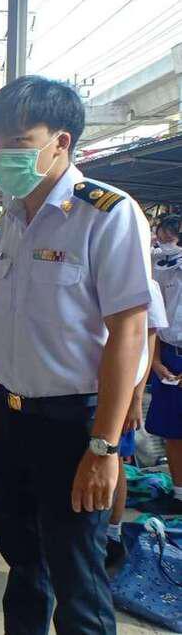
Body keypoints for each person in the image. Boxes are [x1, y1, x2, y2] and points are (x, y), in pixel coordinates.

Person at [0, 76, 151, 634]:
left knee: (77, 576)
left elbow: (129, 333)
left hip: (73, 424)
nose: (3, 155)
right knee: (22, 564)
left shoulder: (107, 213)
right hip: (11, 417)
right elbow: (10, 328)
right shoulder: (12, 216)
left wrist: (105, 446)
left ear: (61, 142)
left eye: (18, 141)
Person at [106, 278, 167, 573]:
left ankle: (112, 533)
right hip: (88, 387)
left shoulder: (146, 284)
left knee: (114, 460)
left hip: (121, 390)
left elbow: (148, 339)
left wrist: (135, 397)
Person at [146, 214, 182, 515]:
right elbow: (155, 319)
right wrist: (155, 360)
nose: (167, 241)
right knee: (172, 430)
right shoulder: (160, 266)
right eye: (163, 234)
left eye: (173, 236)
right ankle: (179, 494)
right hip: (169, 356)